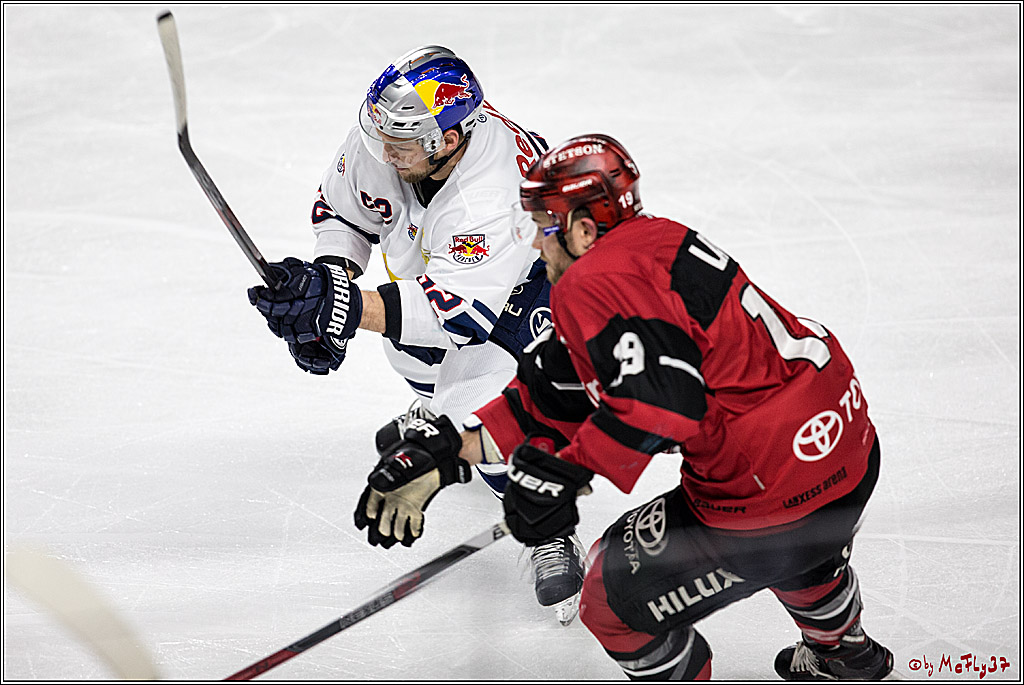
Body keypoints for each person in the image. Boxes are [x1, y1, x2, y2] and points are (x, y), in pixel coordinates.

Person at [357, 133, 895, 680]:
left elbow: (665, 403)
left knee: (609, 599)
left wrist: (562, 474)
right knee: (802, 542)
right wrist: (454, 449)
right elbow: (557, 392)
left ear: (583, 230)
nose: (536, 245)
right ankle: (842, 650)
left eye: (543, 227)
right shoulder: (658, 238)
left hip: (766, 489)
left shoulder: (590, 281)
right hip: (847, 444)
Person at [245, 46, 586, 624]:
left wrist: (336, 307)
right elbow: (343, 214)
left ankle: (548, 525)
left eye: (398, 144)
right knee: (408, 348)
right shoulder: (398, 134)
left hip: (539, 294)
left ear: (447, 140)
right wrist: (327, 284)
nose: (383, 152)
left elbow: (457, 314)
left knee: (486, 402)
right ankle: (438, 411)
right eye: (381, 135)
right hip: (449, 282)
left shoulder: (492, 190)